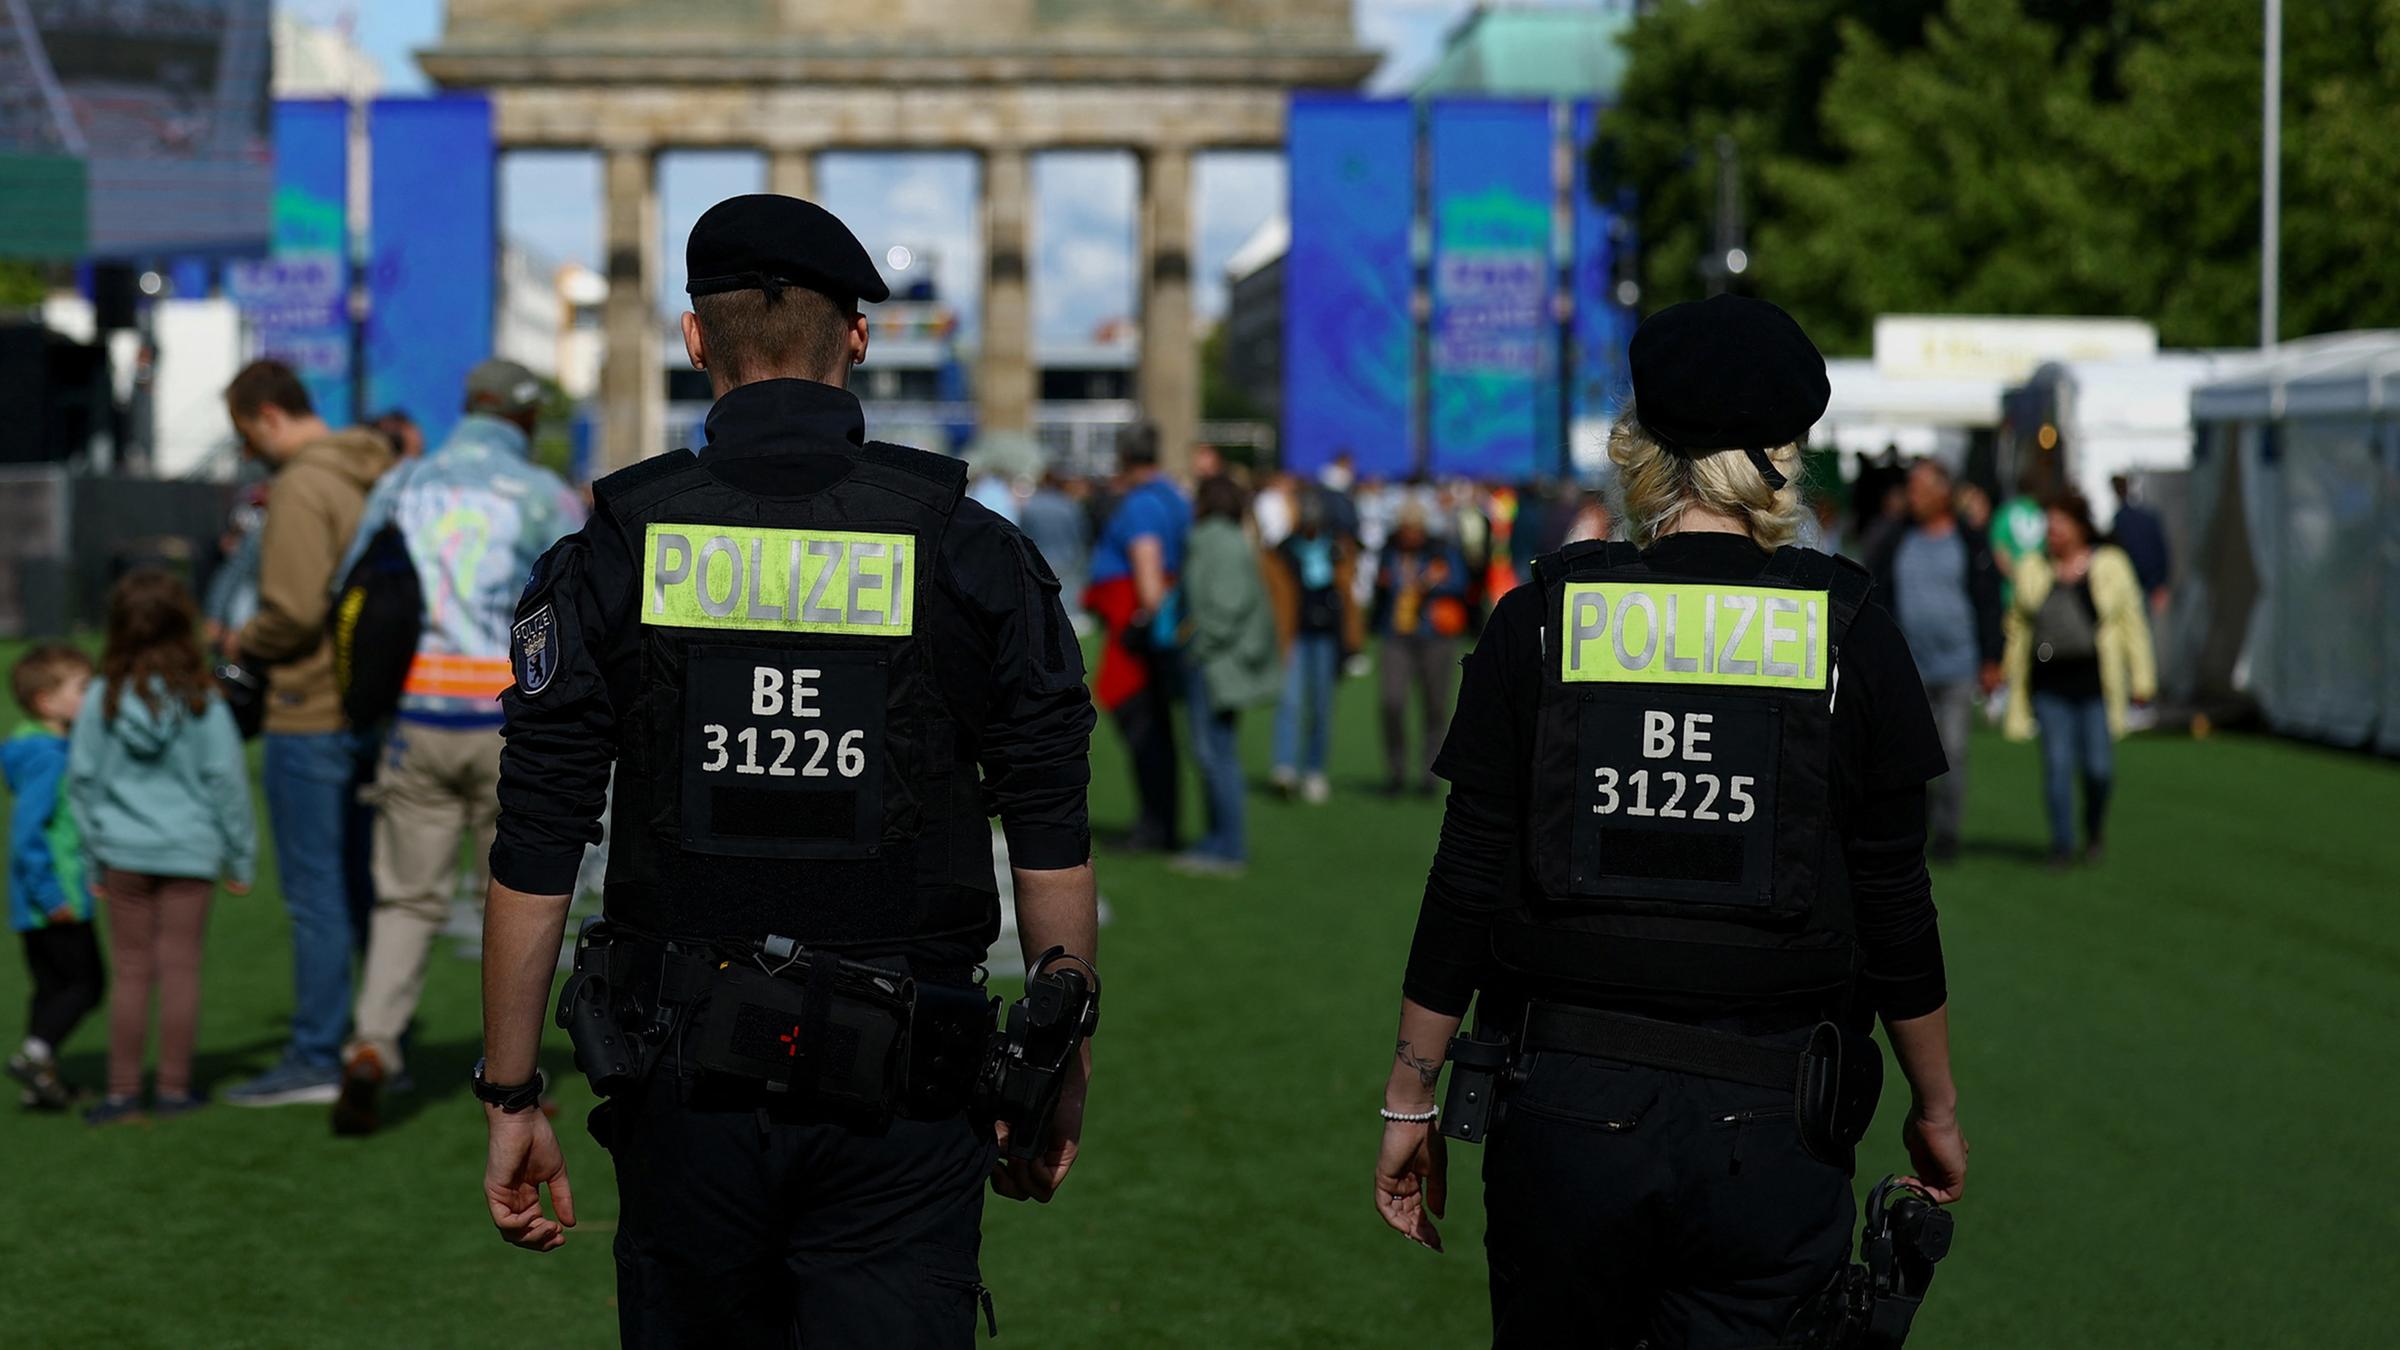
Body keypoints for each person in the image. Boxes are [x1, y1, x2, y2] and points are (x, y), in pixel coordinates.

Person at [475, 194, 1099, 1348]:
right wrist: (1060, 1065)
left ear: (694, 338)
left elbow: (538, 841)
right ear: (857, 339)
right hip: (907, 1089)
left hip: (684, 1087)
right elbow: (1052, 829)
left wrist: (511, 1093)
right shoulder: (969, 548)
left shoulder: (618, 543)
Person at [1373, 295, 1966, 1347]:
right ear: (1782, 456)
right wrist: (1937, 1106)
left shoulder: (1545, 618)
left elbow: (1466, 874)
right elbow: (1893, 902)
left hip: (1560, 1113)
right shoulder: (1849, 632)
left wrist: (1411, 1096)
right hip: (1775, 1128)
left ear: (1639, 447)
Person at [329, 359, 588, 1136]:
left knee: (406, 898)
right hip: (512, 728)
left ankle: (372, 1045)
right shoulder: (544, 494)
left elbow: (354, 589)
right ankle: (516, 1076)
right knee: (514, 901)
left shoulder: (406, 483)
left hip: (416, 719)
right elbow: (580, 607)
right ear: (526, 417)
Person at [218, 360, 395, 1107]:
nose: (248, 448)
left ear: (264, 416)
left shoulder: (301, 485)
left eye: (243, 433)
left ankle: (319, 1053)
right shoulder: (378, 468)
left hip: (306, 704)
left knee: (316, 894)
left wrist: (235, 642)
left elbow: (290, 613)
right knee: (362, 886)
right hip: (370, 705)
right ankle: (380, 1039)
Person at [68, 571, 257, 1124]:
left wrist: (91, 859)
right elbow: (227, 781)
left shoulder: (102, 697)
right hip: (190, 853)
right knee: (180, 969)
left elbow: (83, 782)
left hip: (121, 854)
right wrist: (240, 857)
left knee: (131, 971)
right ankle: (174, 1091)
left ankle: (122, 1094)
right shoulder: (203, 699)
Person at [2003, 492, 2155, 866]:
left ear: (2080, 526)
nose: (2053, 533)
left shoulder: (2110, 565)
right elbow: (2018, 624)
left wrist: (2142, 679)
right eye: (2049, 527)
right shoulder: (2034, 568)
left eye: (2060, 525)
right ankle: (2063, 844)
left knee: (2099, 769)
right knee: (2057, 764)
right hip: (2050, 683)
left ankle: (2094, 825)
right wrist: (2006, 673)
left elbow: (2132, 622)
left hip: (2095, 684)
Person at [1867, 459, 2003, 862]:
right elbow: (1878, 595)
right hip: (1910, 666)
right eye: (1911, 489)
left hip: (1958, 665)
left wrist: (1992, 657)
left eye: (1921, 489)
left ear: (1944, 493)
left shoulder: (1970, 542)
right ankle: (1917, 827)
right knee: (1910, 756)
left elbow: (1989, 602)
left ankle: (1948, 833)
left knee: (1953, 751)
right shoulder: (1896, 540)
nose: (1913, 497)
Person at [1084, 424, 1191, 852]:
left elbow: (1147, 567)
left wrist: (1147, 619)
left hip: (1138, 629)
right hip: (1154, 627)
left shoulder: (1142, 504)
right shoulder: (1173, 497)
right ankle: (1160, 823)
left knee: (1145, 730)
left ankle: (1155, 827)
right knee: (1157, 732)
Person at [4, 646, 102, 1111]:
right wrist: (51, 893)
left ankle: (40, 1084)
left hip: (36, 901)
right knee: (87, 984)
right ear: (47, 702)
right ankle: (34, 1054)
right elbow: (28, 834)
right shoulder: (47, 758)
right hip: (56, 896)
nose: (94, 696)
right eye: (83, 689)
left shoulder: (37, 748)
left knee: (50, 989)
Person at [1173, 475, 1279, 877]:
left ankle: (1228, 847)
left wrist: (1198, 642)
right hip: (1221, 660)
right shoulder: (1231, 537)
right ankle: (1219, 839)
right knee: (1217, 752)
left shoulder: (1214, 540)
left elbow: (1226, 604)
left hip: (1216, 662)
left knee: (1215, 755)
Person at [1371, 503, 1469, 797]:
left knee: (1435, 707)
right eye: (1405, 529)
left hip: (1435, 635)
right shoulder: (1389, 552)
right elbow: (1381, 585)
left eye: (1414, 529)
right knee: (1392, 701)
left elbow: (1460, 581)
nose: (1410, 535)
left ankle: (1430, 774)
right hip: (1396, 635)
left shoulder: (1441, 550)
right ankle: (1396, 771)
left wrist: (1430, 583)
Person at [1269, 490, 1352, 804]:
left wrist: (1351, 641)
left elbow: (1348, 597)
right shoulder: (1284, 549)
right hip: (1295, 634)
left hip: (1326, 635)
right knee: (1289, 703)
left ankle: (1315, 769)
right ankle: (1285, 767)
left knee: (1321, 705)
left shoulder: (1335, 548)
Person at [2109, 474, 2173, 617]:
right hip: (2134, 586)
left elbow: (2160, 550)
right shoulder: (2143, 517)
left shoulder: (2122, 522)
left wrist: (2160, 584)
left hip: (2142, 586)